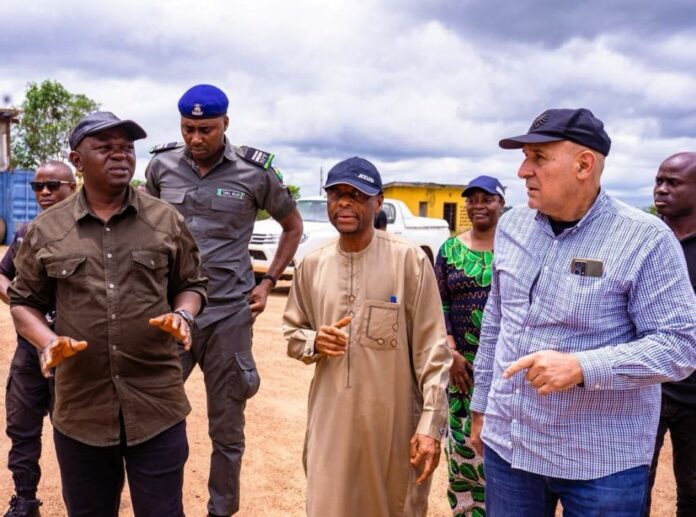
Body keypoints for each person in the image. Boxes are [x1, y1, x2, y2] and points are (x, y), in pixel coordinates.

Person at [469, 108, 696, 516]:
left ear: (584, 164)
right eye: (524, 157)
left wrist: (583, 366)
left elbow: (681, 346)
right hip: (510, 447)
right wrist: (482, 407)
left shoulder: (645, 240)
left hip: (600, 462)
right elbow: (497, 322)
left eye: (538, 158)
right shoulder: (512, 227)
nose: (523, 171)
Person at [8, 111, 208, 516]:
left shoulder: (165, 220)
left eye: (127, 148)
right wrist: (47, 342)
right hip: (81, 408)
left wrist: (183, 316)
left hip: (156, 404)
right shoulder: (47, 230)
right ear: (77, 160)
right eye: (105, 148)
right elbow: (23, 301)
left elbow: (192, 284)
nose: (121, 156)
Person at [145, 84, 303, 517]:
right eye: (189, 128)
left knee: (227, 428)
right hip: (172, 314)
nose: (197, 138)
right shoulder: (161, 167)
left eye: (206, 129)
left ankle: (221, 511)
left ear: (225, 125)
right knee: (154, 415)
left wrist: (268, 281)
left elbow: (293, 226)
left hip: (229, 314)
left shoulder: (255, 172)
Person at [283, 156, 452, 517]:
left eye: (356, 195)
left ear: (378, 203)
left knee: (393, 506)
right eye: (336, 195)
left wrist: (430, 425)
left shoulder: (408, 262)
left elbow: (433, 352)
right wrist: (315, 341)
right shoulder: (312, 264)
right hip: (332, 422)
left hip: (392, 428)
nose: (344, 203)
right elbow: (293, 335)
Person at [1, 161, 76, 517]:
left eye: (53, 185)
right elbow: (2, 274)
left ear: (73, 187)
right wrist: (21, 302)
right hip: (30, 352)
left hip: (76, 356)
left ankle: (86, 501)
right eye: (38, 186)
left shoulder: (91, 233)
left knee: (78, 433)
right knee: (22, 427)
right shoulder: (28, 232)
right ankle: (25, 499)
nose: (44, 192)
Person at [434, 175, 504, 517]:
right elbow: (439, 304)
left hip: (506, 370)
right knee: (463, 453)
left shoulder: (514, 249)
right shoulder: (449, 250)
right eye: (472, 199)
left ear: (501, 203)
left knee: (503, 456)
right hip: (462, 373)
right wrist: (452, 353)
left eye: (486, 199)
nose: (478, 205)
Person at [645, 152, 696, 516]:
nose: (661, 190)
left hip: (694, 395)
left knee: (693, 491)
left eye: (673, 182)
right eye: (659, 181)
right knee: (631, 486)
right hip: (643, 388)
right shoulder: (644, 239)